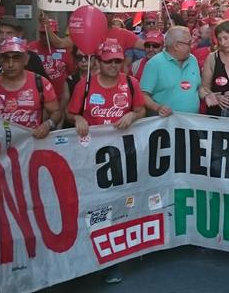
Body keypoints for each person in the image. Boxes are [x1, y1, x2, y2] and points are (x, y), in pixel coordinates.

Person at [67, 38, 145, 285]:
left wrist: (132, 114)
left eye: (118, 61)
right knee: (91, 207)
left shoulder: (131, 84)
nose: (113, 65)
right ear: (98, 63)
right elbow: (71, 112)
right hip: (89, 157)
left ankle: (112, 262)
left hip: (121, 157)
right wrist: (77, 119)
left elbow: (141, 110)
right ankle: (86, 258)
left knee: (116, 208)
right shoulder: (85, 85)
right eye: (109, 61)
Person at [0, 37, 61, 138]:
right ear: (0, 60)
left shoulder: (41, 83)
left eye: (16, 58)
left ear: (26, 59)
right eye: (6, 58)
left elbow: (56, 111)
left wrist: (48, 124)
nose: (10, 64)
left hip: (31, 146)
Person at [140, 26, 201, 116]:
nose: (191, 46)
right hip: (165, 125)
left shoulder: (193, 60)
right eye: (189, 43)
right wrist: (158, 107)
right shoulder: (154, 64)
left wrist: (208, 95)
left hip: (191, 125)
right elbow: (142, 95)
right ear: (176, 46)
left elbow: (199, 87)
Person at [27, 18, 70, 107]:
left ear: (57, 33)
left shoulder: (65, 49)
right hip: (38, 98)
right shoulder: (29, 48)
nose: (47, 36)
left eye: (52, 33)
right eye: (43, 33)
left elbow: (71, 71)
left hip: (61, 99)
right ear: (39, 33)